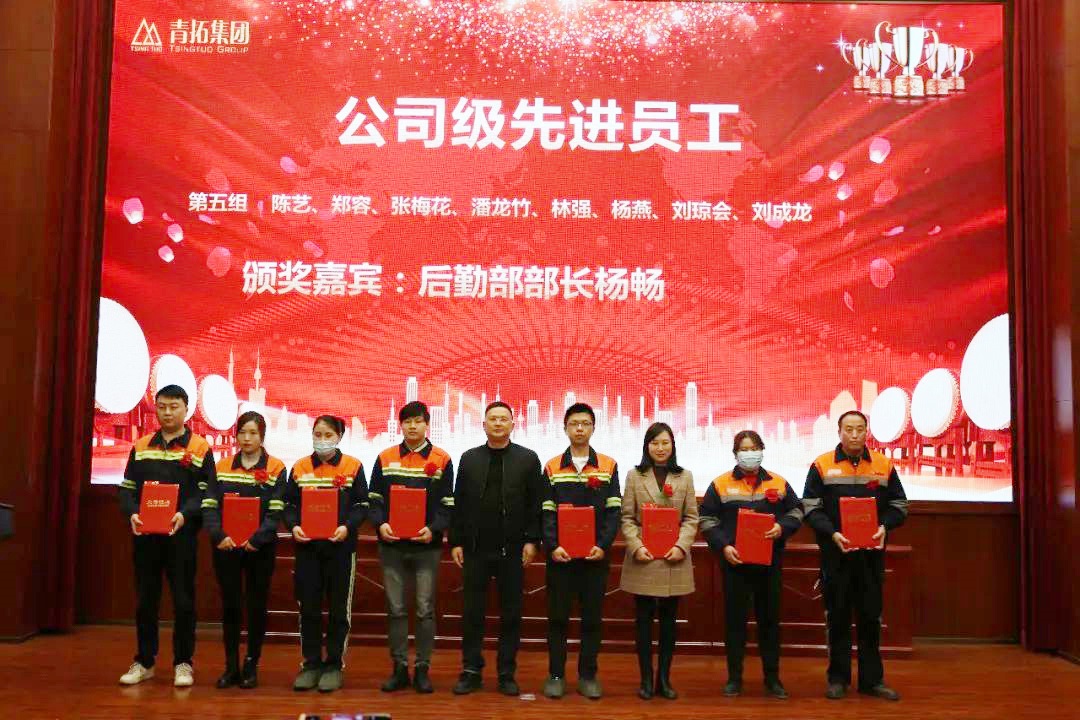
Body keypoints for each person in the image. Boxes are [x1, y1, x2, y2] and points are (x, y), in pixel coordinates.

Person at [802, 410, 908, 701]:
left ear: (866, 432)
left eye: (860, 429)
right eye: (848, 429)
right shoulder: (822, 466)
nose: (854, 434)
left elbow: (899, 505)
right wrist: (832, 533)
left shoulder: (883, 465)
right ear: (839, 432)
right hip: (836, 557)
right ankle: (838, 679)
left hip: (871, 558)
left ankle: (872, 681)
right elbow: (810, 507)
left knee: (870, 619)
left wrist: (885, 526)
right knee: (837, 618)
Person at [117, 384, 214, 688]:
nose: (168, 412)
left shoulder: (200, 448)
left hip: (181, 537)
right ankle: (144, 662)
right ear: (155, 409)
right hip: (145, 536)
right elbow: (127, 488)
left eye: (174, 406)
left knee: (184, 601)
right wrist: (132, 512)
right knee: (146, 601)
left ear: (186, 409)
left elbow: (206, 492)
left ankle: (183, 663)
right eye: (162, 407)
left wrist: (185, 513)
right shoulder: (142, 445)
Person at [700, 429, 804, 700]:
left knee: (770, 622)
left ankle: (772, 679)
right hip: (735, 565)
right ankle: (734, 678)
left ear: (762, 451)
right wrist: (724, 545)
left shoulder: (778, 483)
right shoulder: (720, 484)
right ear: (735, 454)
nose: (750, 454)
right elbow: (707, 519)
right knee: (735, 623)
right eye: (744, 449)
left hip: (769, 565)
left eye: (754, 448)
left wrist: (782, 527)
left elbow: (797, 510)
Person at [449, 402, 543, 697]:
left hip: (512, 550)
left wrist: (532, 540)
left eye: (504, 419)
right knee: (472, 614)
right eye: (493, 419)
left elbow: (536, 505)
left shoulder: (528, 459)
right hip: (475, 550)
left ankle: (506, 673)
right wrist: (456, 541)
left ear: (513, 424)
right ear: (484, 424)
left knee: (511, 615)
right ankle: (471, 670)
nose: (498, 423)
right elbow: (459, 503)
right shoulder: (469, 458)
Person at [368, 401, 455, 694]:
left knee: (425, 610)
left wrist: (433, 529)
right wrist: (380, 524)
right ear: (401, 425)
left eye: (418, 421)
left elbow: (448, 503)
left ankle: (422, 668)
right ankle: (399, 667)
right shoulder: (385, 457)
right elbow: (374, 499)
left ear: (427, 424)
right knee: (395, 609)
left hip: (426, 547)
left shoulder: (441, 459)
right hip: (391, 545)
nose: (413, 426)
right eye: (407, 422)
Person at [539, 403, 621, 700]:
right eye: (574, 423)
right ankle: (556, 675)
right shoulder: (552, 467)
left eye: (585, 423)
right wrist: (553, 546)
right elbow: (546, 511)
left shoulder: (608, 466)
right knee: (558, 619)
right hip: (560, 558)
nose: (579, 429)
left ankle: (588, 675)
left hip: (594, 558)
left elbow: (613, 511)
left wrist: (603, 545)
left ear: (593, 428)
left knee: (592, 620)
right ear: (565, 428)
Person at [282, 415, 369, 693]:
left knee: (338, 610)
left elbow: (361, 505)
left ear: (339, 437)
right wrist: (293, 526)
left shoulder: (353, 466)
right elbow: (288, 504)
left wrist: (347, 527)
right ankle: (310, 664)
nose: (322, 440)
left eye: (328, 435)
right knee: (308, 607)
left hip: (341, 549)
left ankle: (333, 665)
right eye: (317, 434)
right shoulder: (299, 467)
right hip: (307, 549)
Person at [201, 411, 286, 689]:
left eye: (253, 433)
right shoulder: (223, 465)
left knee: (257, 606)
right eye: (242, 432)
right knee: (230, 605)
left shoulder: (276, 468)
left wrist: (257, 539)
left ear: (262, 436)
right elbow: (210, 504)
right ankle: (230, 666)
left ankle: (251, 664)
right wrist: (218, 534)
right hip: (225, 547)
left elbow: (276, 510)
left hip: (259, 549)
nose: (247, 438)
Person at [619, 422, 698, 700]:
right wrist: (636, 546)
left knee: (668, 622)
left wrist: (681, 546)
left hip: (674, 558)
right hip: (644, 557)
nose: (660, 448)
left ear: (673, 445)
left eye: (665, 443)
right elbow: (627, 517)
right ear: (647, 446)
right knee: (643, 622)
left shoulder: (684, 476)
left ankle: (664, 679)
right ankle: (645, 679)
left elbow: (691, 518)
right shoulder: (634, 475)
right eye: (655, 443)